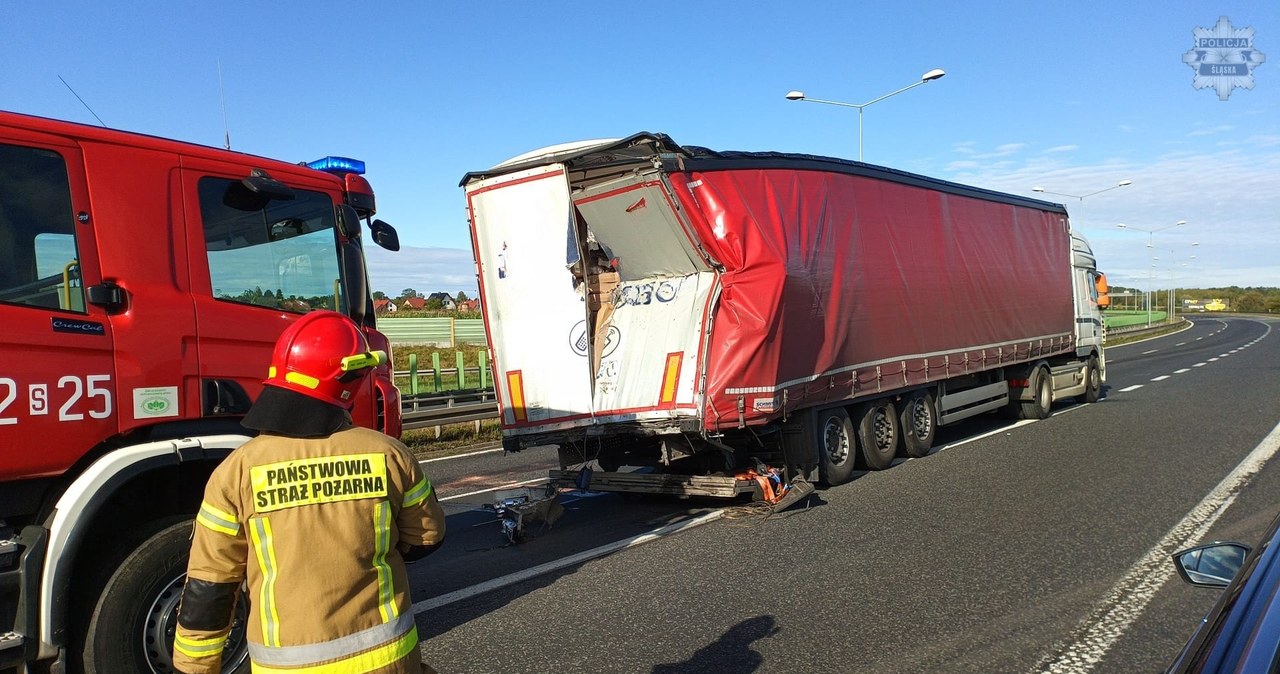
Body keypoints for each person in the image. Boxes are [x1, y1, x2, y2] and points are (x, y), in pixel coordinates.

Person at [171, 310, 446, 674]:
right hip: (387, 660)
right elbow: (427, 537)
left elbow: (210, 586)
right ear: (348, 380)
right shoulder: (387, 454)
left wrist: (193, 668)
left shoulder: (236, 472)